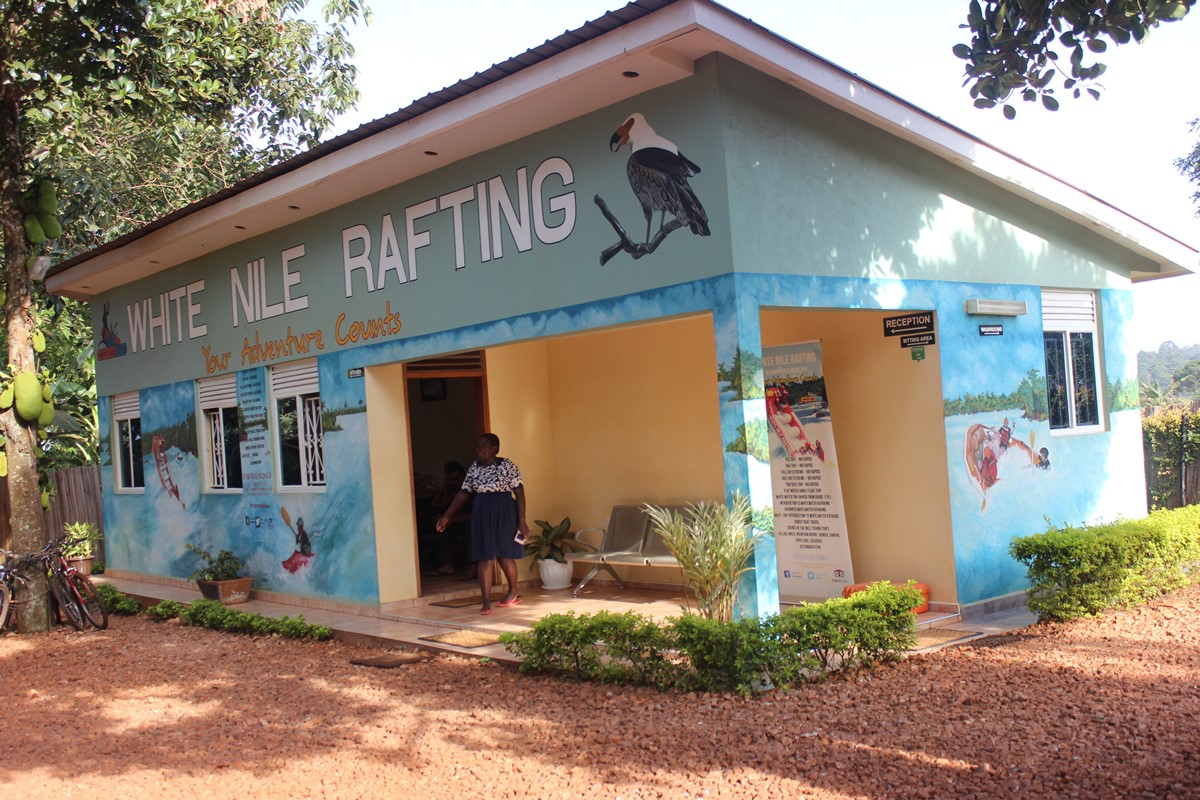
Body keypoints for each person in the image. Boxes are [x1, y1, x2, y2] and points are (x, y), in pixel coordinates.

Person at [436, 433, 529, 615]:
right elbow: (463, 493)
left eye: (484, 445)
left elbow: (519, 492)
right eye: (478, 446)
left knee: (504, 555)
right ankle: (486, 602)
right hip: (481, 512)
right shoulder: (474, 468)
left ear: (494, 448)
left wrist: (522, 520)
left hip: (504, 511)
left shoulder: (507, 465)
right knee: (484, 557)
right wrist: (447, 516)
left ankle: (513, 591)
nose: (479, 449)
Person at [426, 461, 469, 577]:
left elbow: (469, 516)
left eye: (458, 478)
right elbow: (439, 504)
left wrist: (452, 520)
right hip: (452, 520)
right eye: (452, 479)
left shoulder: (470, 490)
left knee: (451, 528)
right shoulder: (451, 489)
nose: (456, 481)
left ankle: (449, 565)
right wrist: (445, 486)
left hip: (466, 523)